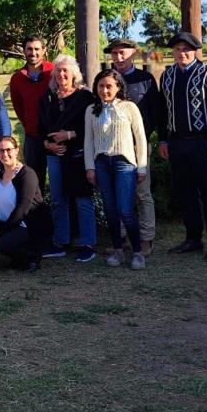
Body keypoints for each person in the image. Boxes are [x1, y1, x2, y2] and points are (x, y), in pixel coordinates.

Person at [157, 31, 207, 261]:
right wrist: (163, 139)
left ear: (195, 50)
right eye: (178, 49)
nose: (182, 53)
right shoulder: (167, 75)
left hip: (205, 143)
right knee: (185, 194)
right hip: (177, 142)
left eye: (186, 49)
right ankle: (193, 239)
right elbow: (163, 111)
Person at [84, 69, 149, 270]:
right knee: (110, 210)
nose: (105, 90)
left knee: (125, 209)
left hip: (124, 164)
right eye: (101, 86)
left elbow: (141, 138)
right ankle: (118, 249)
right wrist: (90, 167)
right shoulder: (91, 110)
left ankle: (138, 252)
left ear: (118, 87)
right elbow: (89, 140)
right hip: (102, 163)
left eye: (109, 86)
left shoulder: (129, 107)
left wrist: (141, 167)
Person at [38, 54, 96, 263]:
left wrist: (69, 135)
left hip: (78, 155)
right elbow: (42, 127)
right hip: (55, 156)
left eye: (66, 70)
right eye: (58, 70)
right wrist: (48, 144)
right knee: (57, 200)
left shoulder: (84, 97)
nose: (62, 74)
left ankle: (88, 243)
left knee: (82, 199)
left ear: (74, 73)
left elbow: (91, 129)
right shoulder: (48, 97)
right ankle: (60, 242)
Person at [107, 38, 161, 255]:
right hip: (112, 147)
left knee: (142, 193)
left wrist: (144, 139)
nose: (119, 57)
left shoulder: (145, 79)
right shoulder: (107, 79)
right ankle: (120, 238)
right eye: (115, 53)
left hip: (138, 145)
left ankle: (146, 238)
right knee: (118, 194)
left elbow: (155, 112)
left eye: (123, 53)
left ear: (133, 54)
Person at [0, 135, 54, 272]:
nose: (5, 154)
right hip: (8, 225)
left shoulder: (27, 174)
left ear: (17, 150)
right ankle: (17, 258)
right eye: (1, 150)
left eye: (8, 150)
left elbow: (22, 209)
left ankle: (32, 257)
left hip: (28, 226)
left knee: (3, 242)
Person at [9, 35, 54, 189]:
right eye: (29, 49)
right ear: (24, 51)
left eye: (37, 49)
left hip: (56, 135)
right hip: (33, 137)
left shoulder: (54, 72)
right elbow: (18, 108)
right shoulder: (17, 78)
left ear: (44, 50)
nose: (33, 52)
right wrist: (30, 124)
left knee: (59, 181)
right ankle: (37, 211)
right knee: (34, 181)